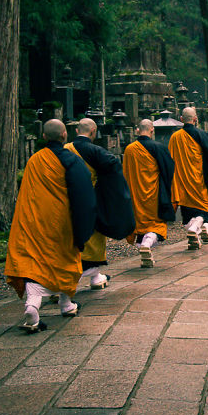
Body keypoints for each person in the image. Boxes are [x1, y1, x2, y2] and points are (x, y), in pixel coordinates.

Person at [5, 119, 95, 333]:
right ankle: (64, 304)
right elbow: (84, 196)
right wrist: (84, 226)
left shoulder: (34, 160)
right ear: (65, 135)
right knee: (65, 263)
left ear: (44, 136)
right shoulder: (71, 160)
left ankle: (34, 306)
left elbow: (27, 195)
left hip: (34, 223)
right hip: (61, 224)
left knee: (35, 265)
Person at [64, 118, 123, 289]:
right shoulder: (97, 151)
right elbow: (114, 167)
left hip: (68, 200)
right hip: (90, 200)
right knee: (93, 239)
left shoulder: (65, 150)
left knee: (70, 238)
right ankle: (74, 279)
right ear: (93, 132)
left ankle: (95, 277)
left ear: (77, 131)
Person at [123, 119, 175, 267]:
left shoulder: (129, 149)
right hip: (154, 195)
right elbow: (169, 169)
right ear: (152, 130)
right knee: (156, 225)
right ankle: (147, 243)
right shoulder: (159, 147)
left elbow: (125, 173)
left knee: (140, 226)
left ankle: (145, 250)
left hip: (136, 196)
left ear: (137, 130)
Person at [168, 106, 208, 249]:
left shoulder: (175, 137)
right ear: (195, 119)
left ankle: (193, 239)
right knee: (203, 210)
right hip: (199, 181)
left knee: (187, 213)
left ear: (181, 119)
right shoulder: (202, 135)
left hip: (182, 182)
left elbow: (170, 159)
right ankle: (194, 229)